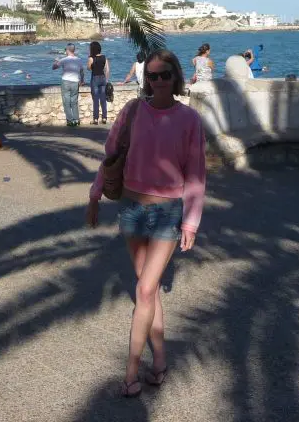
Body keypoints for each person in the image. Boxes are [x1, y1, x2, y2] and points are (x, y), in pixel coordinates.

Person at [86, 49, 206, 398]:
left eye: (163, 75)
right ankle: (161, 363)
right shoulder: (133, 111)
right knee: (149, 290)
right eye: (151, 76)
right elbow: (110, 156)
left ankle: (130, 371)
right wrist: (95, 195)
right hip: (131, 208)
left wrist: (191, 223)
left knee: (143, 290)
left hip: (168, 212)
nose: (157, 82)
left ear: (175, 76)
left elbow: (196, 174)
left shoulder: (189, 120)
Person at [53, 43, 84, 126]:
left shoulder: (64, 60)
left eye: (65, 50)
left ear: (67, 50)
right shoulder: (79, 60)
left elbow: (54, 67)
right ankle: (77, 120)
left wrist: (56, 60)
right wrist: (82, 80)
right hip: (75, 82)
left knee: (66, 101)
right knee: (74, 101)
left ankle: (70, 120)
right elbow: (82, 71)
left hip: (66, 82)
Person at [87, 41, 110, 124]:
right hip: (103, 78)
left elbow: (88, 68)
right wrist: (106, 79)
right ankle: (104, 118)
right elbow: (107, 70)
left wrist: (89, 59)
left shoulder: (91, 58)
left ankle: (96, 119)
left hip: (95, 79)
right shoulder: (104, 57)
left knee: (96, 99)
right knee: (103, 99)